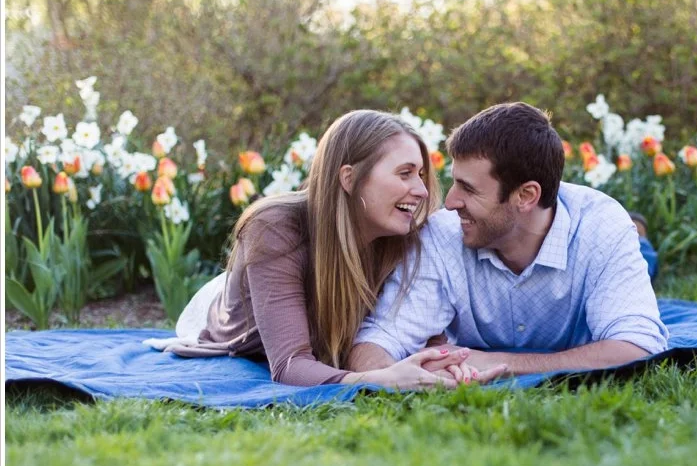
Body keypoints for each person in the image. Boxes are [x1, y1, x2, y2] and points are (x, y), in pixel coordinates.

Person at [145, 110, 488, 389]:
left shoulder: (406, 235)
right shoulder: (274, 228)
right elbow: (290, 365)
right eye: (405, 174)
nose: (422, 191)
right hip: (231, 311)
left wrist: (438, 363)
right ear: (349, 178)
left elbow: (423, 329)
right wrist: (375, 379)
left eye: (422, 175)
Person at [349, 102, 669, 380]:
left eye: (469, 189)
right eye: (454, 183)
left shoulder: (602, 229)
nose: (449, 202)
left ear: (526, 195)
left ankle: (639, 233)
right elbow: (379, 339)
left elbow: (638, 348)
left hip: (612, 239)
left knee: (643, 257)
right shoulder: (442, 234)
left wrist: (495, 362)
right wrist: (392, 375)